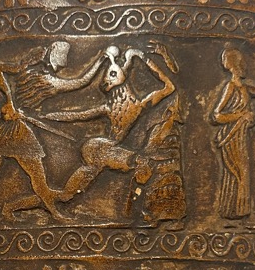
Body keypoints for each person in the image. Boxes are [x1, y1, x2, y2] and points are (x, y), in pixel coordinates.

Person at [0, 41, 107, 222]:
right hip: (20, 133)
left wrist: (10, 101)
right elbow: (80, 82)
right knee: (38, 178)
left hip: (6, 131)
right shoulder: (48, 82)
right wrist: (101, 61)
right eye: (62, 55)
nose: (65, 61)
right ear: (52, 55)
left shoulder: (26, 72)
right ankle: (55, 214)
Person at [43, 41, 178, 206]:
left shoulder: (112, 107)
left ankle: (41, 201)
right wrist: (146, 60)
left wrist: (51, 116)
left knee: (67, 195)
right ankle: (133, 210)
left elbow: (77, 115)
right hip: (102, 149)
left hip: (100, 148)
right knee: (142, 165)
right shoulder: (138, 106)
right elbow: (169, 87)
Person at [212, 48, 255, 219]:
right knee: (239, 171)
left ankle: (237, 212)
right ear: (235, 65)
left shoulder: (245, 88)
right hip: (232, 136)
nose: (245, 65)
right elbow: (216, 115)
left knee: (242, 171)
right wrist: (241, 115)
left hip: (241, 136)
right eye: (242, 62)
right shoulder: (230, 87)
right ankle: (234, 212)